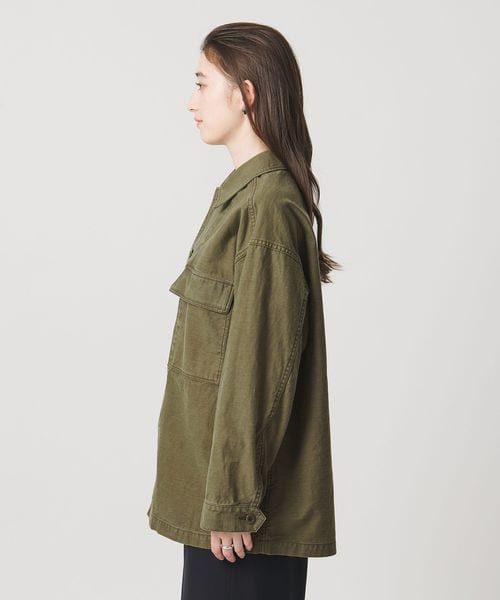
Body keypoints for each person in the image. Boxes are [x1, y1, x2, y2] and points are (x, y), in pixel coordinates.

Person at [146, 21, 342, 600]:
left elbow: (259, 367)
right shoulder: (244, 197)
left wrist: (233, 501)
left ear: (246, 93)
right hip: (223, 507)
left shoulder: (267, 207)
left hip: (242, 519)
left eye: (202, 83)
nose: (191, 102)